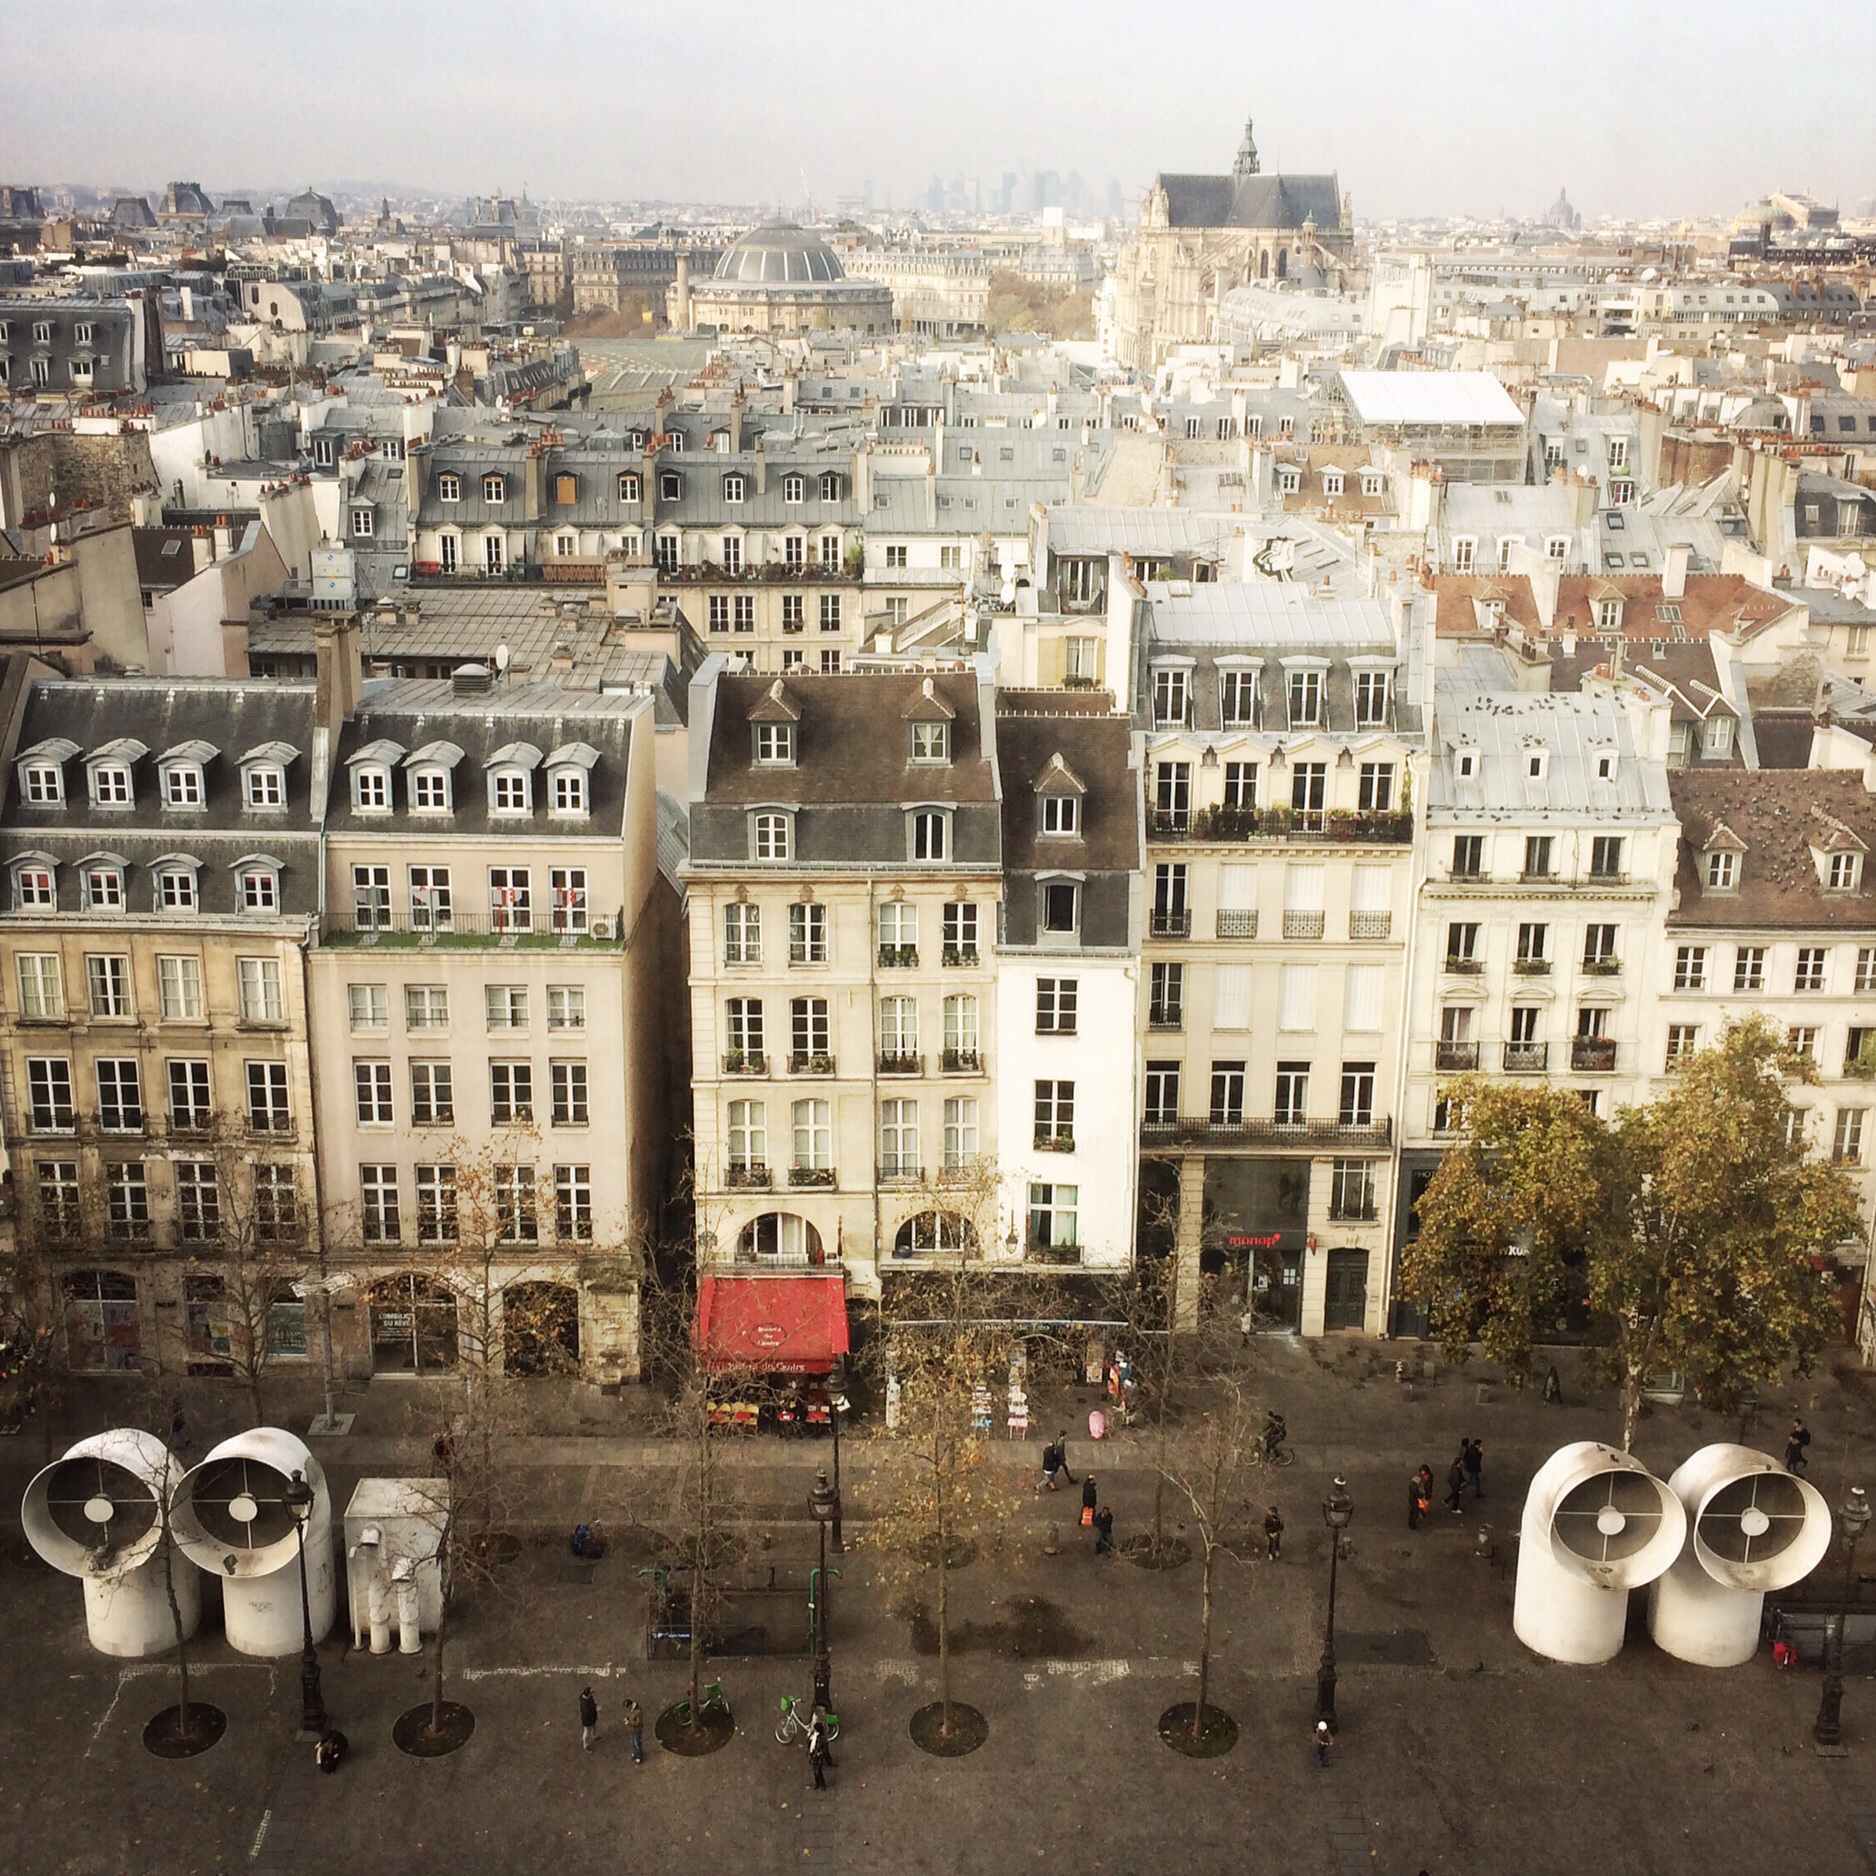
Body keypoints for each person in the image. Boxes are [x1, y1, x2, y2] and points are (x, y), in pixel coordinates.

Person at [807, 1710, 835, 1790]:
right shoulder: (814, 1736)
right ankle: (818, 1783)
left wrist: (818, 1753)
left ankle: (822, 1784)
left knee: (818, 1771)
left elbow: (822, 1748)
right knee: (815, 1771)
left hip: (818, 1757)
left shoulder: (821, 1739)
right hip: (813, 1757)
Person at [624, 1695, 643, 1765]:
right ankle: (636, 1753)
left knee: (637, 1743)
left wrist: (629, 1722)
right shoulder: (631, 1709)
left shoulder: (638, 1712)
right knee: (633, 1743)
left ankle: (639, 1757)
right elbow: (629, 1714)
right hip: (632, 1729)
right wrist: (627, 1718)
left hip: (637, 1730)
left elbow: (638, 1722)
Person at [579, 1684, 599, 1752]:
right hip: (587, 1720)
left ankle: (594, 1736)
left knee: (594, 1727)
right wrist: (595, 1709)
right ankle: (585, 1745)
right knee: (586, 1732)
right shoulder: (584, 1704)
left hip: (592, 1718)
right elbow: (587, 1713)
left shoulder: (588, 1698)